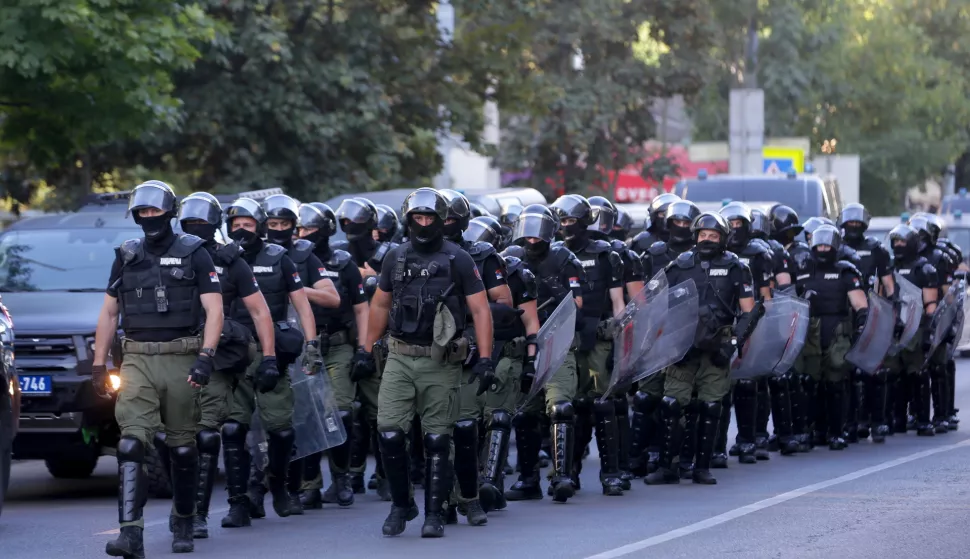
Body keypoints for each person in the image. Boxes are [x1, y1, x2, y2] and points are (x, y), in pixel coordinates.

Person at [350, 188, 494, 538]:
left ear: (442, 220)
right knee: (389, 432)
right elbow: (380, 306)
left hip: (440, 360)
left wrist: (486, 359)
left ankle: (434, 514)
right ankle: (402, 504)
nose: (425, 224)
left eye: (431, 218)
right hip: (399, 357)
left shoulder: (458, 259)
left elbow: (480, 309)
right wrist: (365, 350)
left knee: (436, 440)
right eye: (419, 217)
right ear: (409, 219)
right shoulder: (395, 258)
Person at [93, 180, 224, 556]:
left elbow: (215, 309)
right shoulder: (127, 255)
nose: (149, 217)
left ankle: (184, 518)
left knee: (183, 448)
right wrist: (99, 364)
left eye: (155, 210)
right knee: (132, 443)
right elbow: (109, 311)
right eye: (143, 212)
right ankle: (130, 533)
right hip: (136, 360)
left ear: (170, 212)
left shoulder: (195, 252)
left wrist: (205, 357)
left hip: (182, 356)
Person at [177, 192, 277, 539]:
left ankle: (214, 510)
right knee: (178, 437)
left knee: (221, 431)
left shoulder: (230, 260)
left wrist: (270, 357)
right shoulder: (168, 258)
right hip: (174, 356)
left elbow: (260, 311)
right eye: (189, 224)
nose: (196, 230)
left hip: (224, 356)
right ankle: (187, 512)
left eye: (202, 224)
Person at [219, 197, 324, 528]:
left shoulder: (279, 259)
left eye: (248, 225)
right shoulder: (217, 260)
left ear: (260, 227)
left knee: (280, 430)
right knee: (234, 428)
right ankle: (239, 502)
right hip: (232, 354)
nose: (241, 231)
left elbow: (302, 305)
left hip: (271, 353)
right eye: (236, 225)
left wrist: (312, 345)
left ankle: (277, 483)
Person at [645, 212, 758, 486]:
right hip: (683, 344)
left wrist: (733, 344)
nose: (707, 240)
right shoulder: (680, 265)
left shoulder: (736, 267)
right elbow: (654, 298)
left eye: (713, 235)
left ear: (723, 239)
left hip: (718, 343)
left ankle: (702, 467)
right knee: (672, 403)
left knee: (710, 405)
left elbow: (749, 312)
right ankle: (668, 467)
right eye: (703, 235)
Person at [439, 189, 513, 526]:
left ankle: (470, 493)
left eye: (451, 219)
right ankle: (439, 496)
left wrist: (471, 313)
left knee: (465, 425)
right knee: (431, 429)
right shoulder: (411, 256)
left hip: (467, 350)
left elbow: (502, 304)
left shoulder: (482, 256)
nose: (444, 224)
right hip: (425, 351)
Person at [503, 205, 585, 503]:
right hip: (524, 346)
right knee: (525, 413)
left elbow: (577, 304)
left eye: (539, 231)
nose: (533, 239)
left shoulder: (565, 259)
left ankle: (563, 475)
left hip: (558, 343)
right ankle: (528, 480)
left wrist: (552, 294)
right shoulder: (511, 259)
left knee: (560, 408)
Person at [295, 202, 372, 509]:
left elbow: (361, 308)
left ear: (326, 230)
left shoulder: (343, 263)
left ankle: (341, 478)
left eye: (310, 229)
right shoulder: (290, 260)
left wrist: (364, 349)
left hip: (338, 345)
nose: (303, 234)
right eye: (300, 229)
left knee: (339, 413)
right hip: (302, 346)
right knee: (307, 416)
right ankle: (309, 485)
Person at [551, 194, 627, 497]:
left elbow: (619, 302)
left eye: (571, 221)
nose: (567, 227)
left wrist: (622, 346)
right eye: (562, 221)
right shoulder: (554, 255)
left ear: (584, 221)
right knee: (572, 405)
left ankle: (611, 473)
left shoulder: (605, 253)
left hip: (599, 335)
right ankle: (568, 472)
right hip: (565, 338)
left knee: (603, 404)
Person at [335, 197, 399, 497]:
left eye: (356, 222)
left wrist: (370, 276)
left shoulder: (390, 255)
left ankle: (387, 474)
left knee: (381, 414)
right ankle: (351, 474)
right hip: (350, 341)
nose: (350, 227)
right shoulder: (340, 257)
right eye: (345, 222)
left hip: (382, 344)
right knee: (353, 413)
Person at [630, 200, 699, 476]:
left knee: (679, 401)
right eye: (676, 222)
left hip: (689, 334)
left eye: (686, 223)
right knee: (646, 397)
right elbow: (640, 294)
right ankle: (635, 458)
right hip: (655, 333)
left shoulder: (700, 256)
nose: (681, 228)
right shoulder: (653, 253)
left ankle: (677, 457)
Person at [797, 225, 869, 450]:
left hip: (837, 330)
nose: (823, 248)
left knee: (836, 382)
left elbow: (861, 306)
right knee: (810, 383)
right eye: (819, 244)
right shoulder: (803, 269)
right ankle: (814, 430)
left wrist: (860, 333)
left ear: (836, 246)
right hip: (810, 330)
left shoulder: (845, 272)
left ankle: (837, 432)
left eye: (827, 245)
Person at [587, 196, 643, 484]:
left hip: (610, 337)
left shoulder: (622, 255)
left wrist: (625, 344)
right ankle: (565, 473)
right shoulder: (564, 253)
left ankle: (618, 467)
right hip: (577, 339)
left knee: (614, 403)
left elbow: (638, 304)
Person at [719, 202, 775, 464]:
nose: (735, 229)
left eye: (739, 224)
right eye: (730, 225)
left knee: (752, 382)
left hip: (752, 319)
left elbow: (766, 294)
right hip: (722, 322)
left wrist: (763, 325)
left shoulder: (758, 253)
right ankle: (717, 445)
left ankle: (753, 438)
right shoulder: (714, 253)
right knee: (721, 386)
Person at [838, 203, 895, 443]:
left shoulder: (876, 250)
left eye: (857, 223)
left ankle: (878, 421)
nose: (853, 226)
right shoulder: (836, 248)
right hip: (843, 314)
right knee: (848, 372)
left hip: (872, 313)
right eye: (849, 223)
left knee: (875, 370)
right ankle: (851, 422)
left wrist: (893, 312)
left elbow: (889, 284)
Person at [885, 224, 938, 438]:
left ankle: (923, 419)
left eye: (902, 241)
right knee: (894, 375)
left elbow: (931, 305)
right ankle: (898, 417)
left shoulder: (925, 269)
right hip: (893, 327)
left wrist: (927, 332)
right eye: (895, 241)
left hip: (915, 326)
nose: (898, 245)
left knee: (917, 374)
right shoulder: (889, 267)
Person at [908, 214, 955, 433]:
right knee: (916, 369)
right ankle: (917, 414)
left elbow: (948, 296)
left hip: (935, 318)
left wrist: (947, 323)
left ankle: (942, 415)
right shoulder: (905, 260)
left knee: (938, 368)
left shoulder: (939, 258)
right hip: (912, 320)